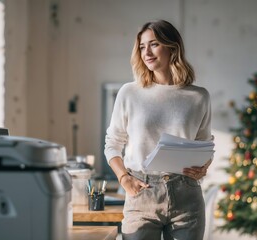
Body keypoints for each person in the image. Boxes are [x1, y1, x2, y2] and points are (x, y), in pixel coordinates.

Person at [104, 19, 213, 240]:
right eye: (142, 47)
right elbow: (112, 145)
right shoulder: (129, 93)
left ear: (172, 47)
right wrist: (124, 179)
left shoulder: (198, 96)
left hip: (186, 194)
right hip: (141, 192)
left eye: (154, 44)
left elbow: (204, 145)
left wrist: (203, 167)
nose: (147, 52)